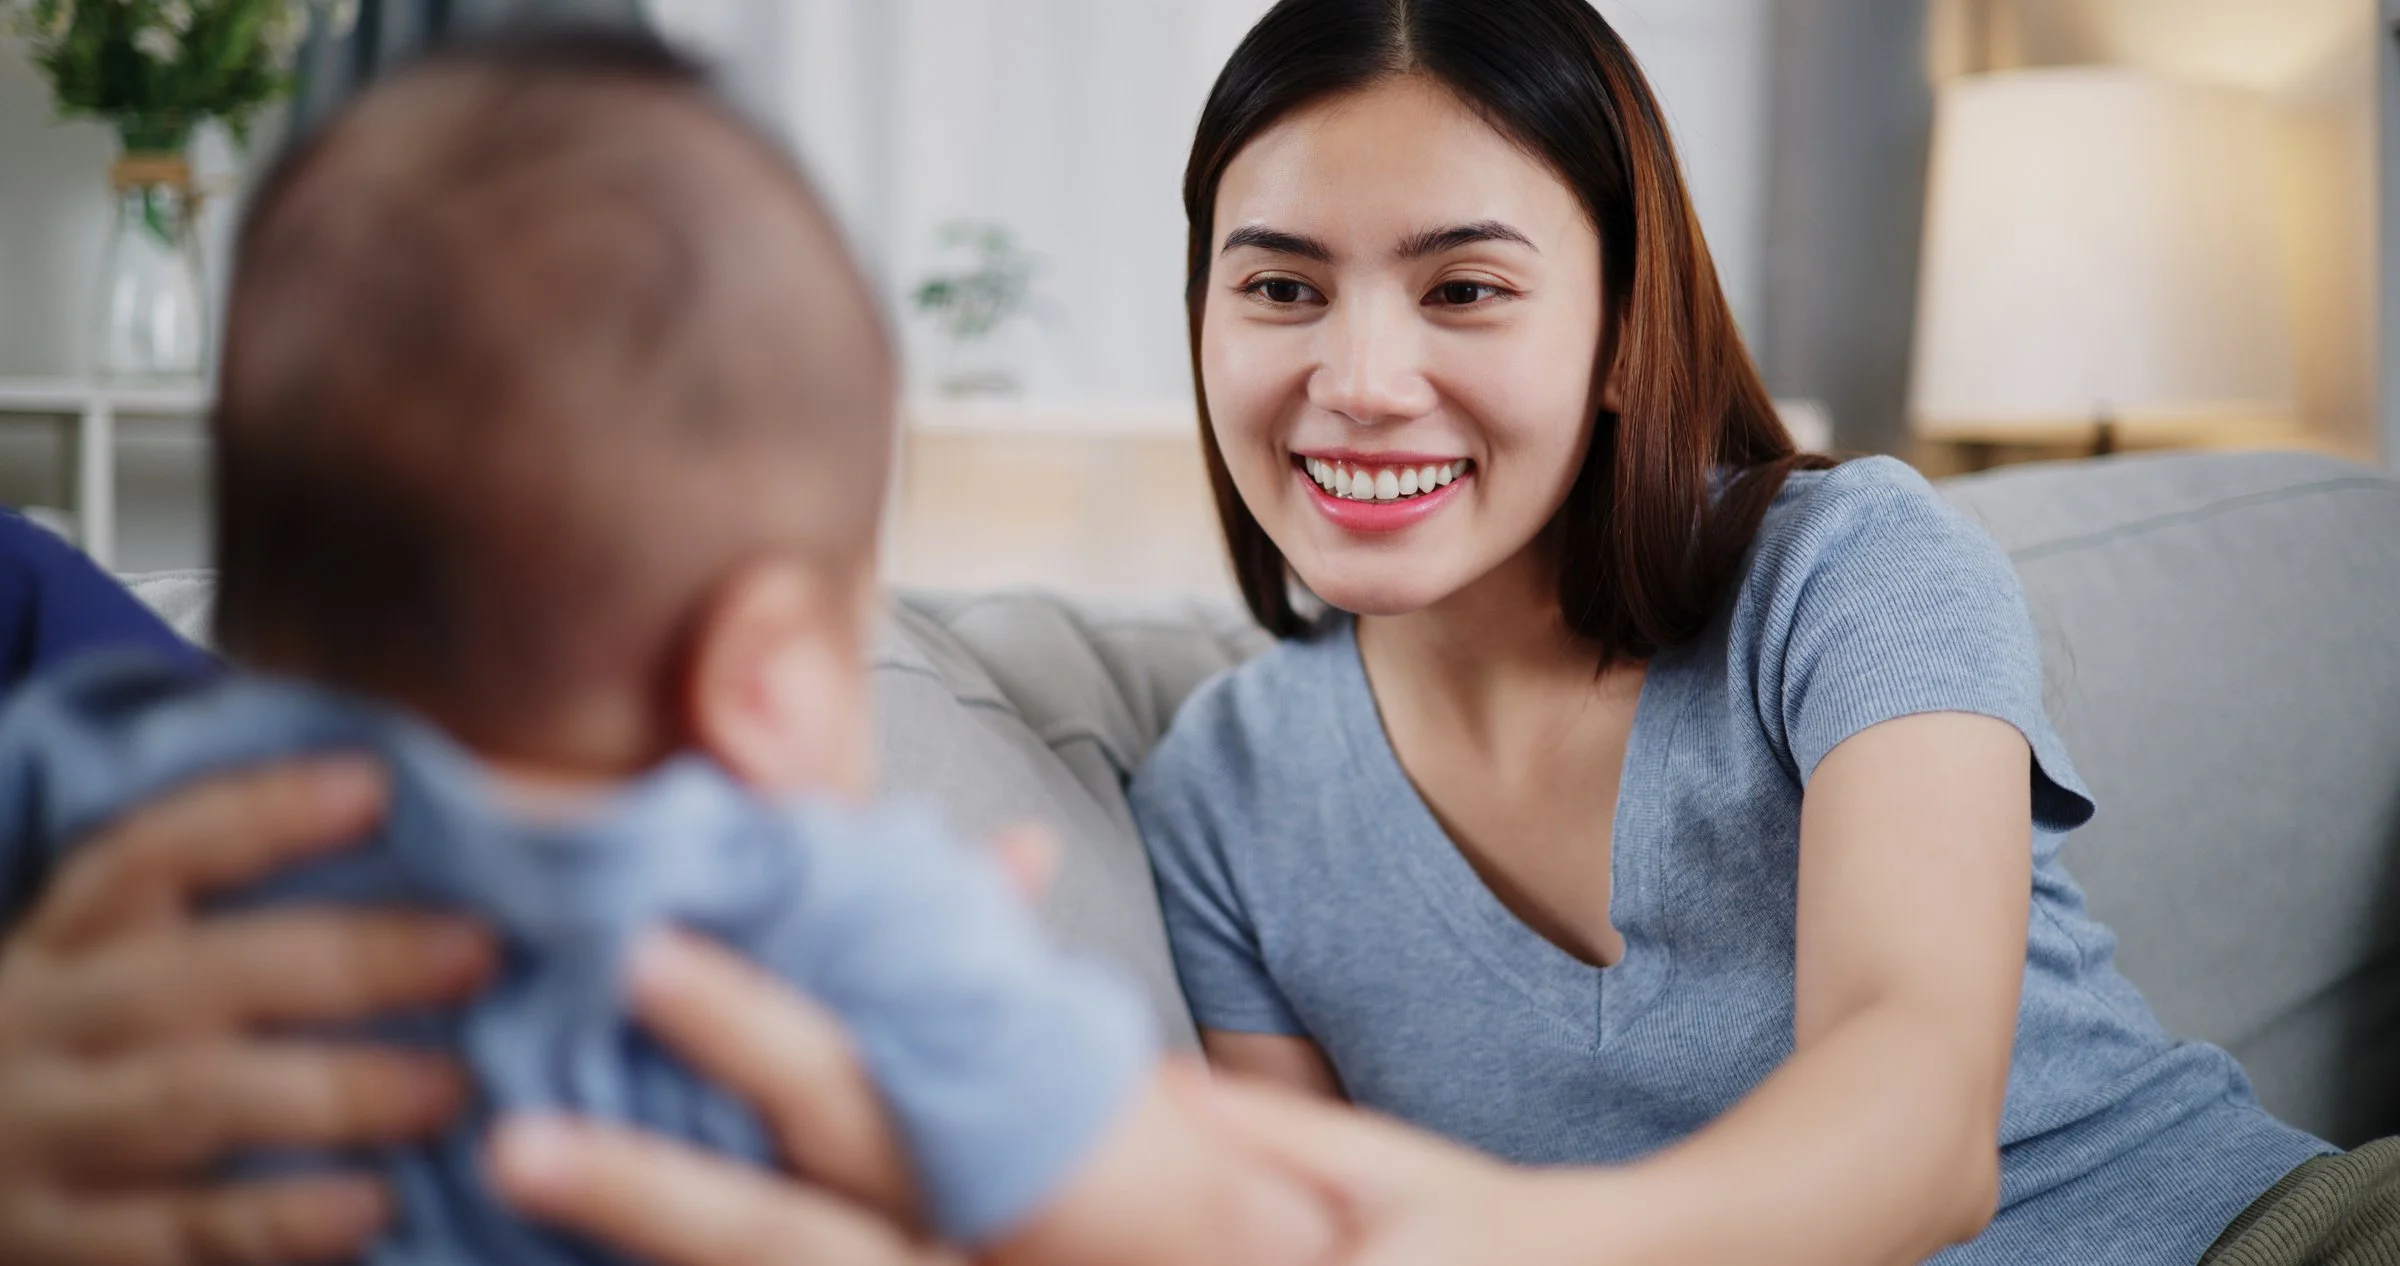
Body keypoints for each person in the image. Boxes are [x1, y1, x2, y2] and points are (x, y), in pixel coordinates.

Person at [0, 26, 1333, 1266]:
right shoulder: (824, 920)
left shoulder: (116, 787)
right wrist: (1003, 1010)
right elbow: (1208, 1226)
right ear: (756, 674)